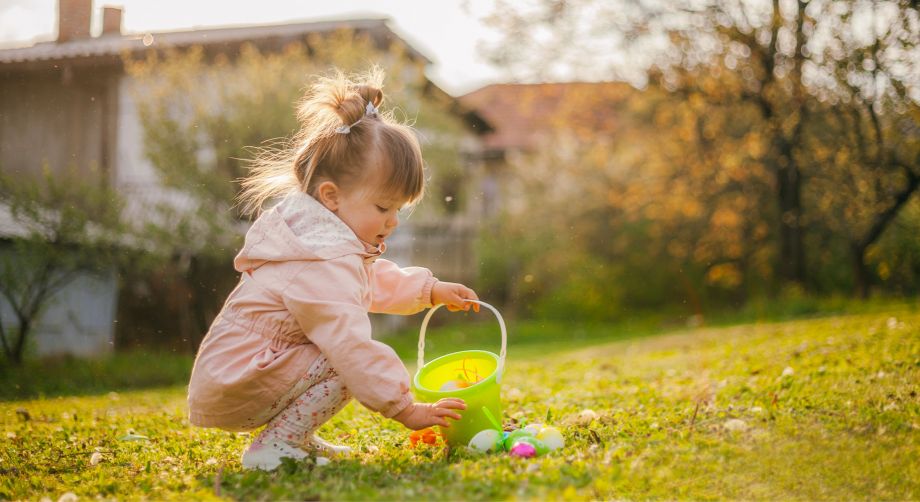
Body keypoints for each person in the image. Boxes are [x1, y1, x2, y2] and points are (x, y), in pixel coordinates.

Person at [187, 68, 479, 471]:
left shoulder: (321, 242)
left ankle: (294, 436)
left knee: (340, 352)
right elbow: (349, 341)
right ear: (331, 197)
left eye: (398, 209)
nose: (392, 221)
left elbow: (365, 281)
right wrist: (403, 408)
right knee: (344, 354)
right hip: (241, 378)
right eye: (382, 207)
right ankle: (277, 446)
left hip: (240, 371)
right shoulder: (320, 258)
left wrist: (429, 290)